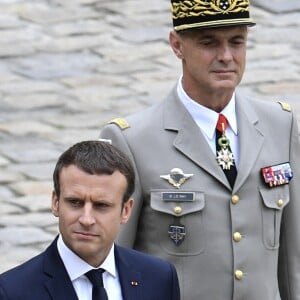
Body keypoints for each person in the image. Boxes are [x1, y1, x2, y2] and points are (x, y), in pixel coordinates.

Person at [99, 0, 300, 299]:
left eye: (237, 42)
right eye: (209, 43)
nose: (226, 56)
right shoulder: (133, 142)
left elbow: (293, 258)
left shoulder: (279, 125)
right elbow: (110, 265)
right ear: (177, 45)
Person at [0, 141, 180, 300]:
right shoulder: (13, 291)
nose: (86, 219)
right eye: (75, 202)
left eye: (101, 205)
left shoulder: (159, 278)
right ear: (55, 203)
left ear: (126, 210)